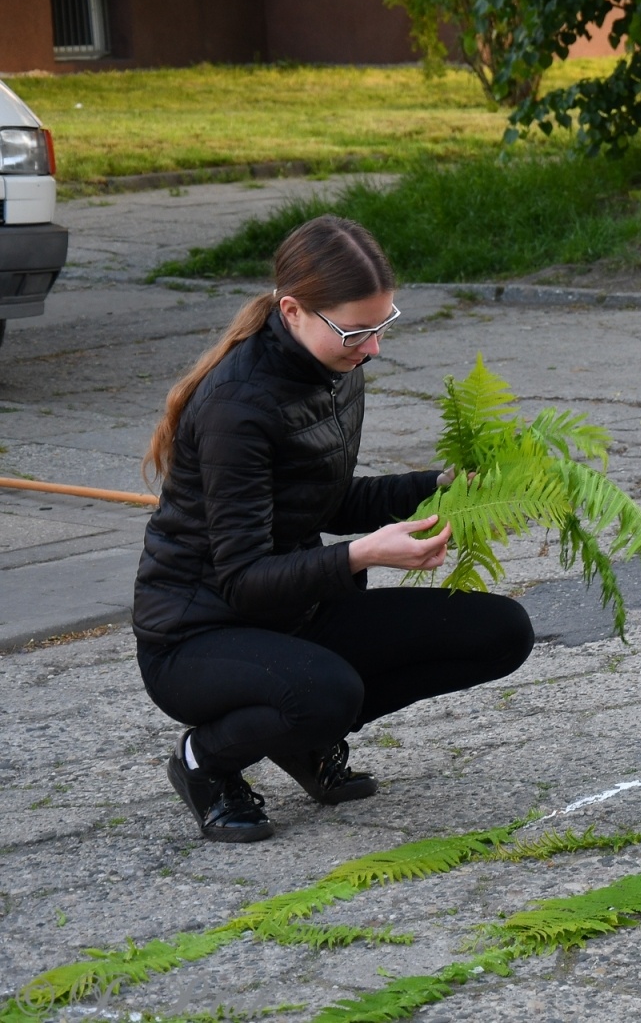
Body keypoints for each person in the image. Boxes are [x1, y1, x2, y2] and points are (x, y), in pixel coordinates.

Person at [134, 215, 536, 842]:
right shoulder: (236, 408)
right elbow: (241, 580)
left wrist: (441, 486)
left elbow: (327, 502)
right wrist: (364, 554)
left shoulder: (337, 365)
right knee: (328, 692)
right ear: (292, 311)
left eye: (383, 325)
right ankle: (205, 763)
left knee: (501, 632)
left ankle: (302, 737)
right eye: (356, 330)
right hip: (198, 634)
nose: (372, 347)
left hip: (292, 615)